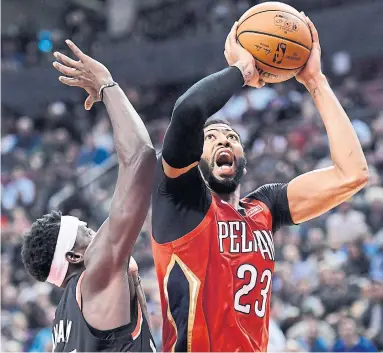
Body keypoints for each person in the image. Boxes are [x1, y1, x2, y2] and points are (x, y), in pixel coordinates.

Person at [151, 16, 369, 352]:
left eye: (232, 137)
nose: (225, 141)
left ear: (243, 156)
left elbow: (351, 174)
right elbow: (189, 110)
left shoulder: (264, 207)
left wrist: (316, 82)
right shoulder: (180, 200)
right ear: (196, 153)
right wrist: (243, 69)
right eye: (212, 137)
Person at [21, 40, 157, 352]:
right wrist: (107, 85)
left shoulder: (63, 321)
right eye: (85, 231)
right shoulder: (95, 277)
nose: (95, 231)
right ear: (74, 256)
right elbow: (140, 157)